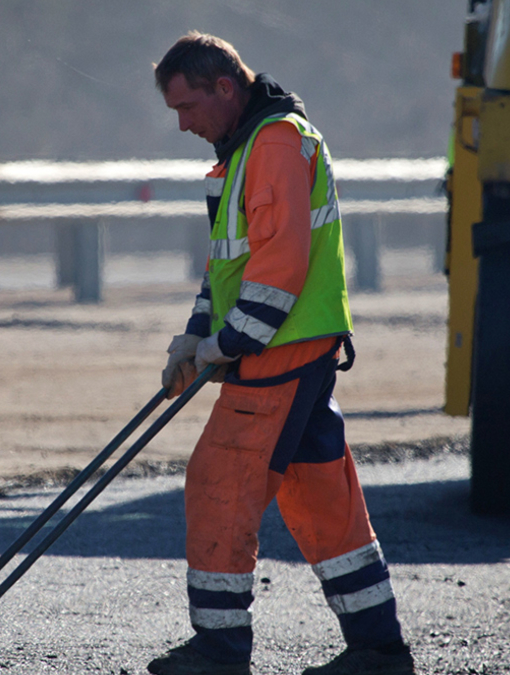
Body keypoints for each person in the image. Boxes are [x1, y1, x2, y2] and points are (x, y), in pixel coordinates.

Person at [148, 33, 415, 675]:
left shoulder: (272, 144)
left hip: (280, 351)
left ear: (224, 88)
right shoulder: (245, 150)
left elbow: (280, 267)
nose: (183, 124)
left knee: (219, 482)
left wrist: (226, 344)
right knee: (325, 501)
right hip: (292, 348)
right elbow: (230, 266)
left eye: (187, 107)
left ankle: (218, 651)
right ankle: (378, 651)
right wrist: (194, 335)